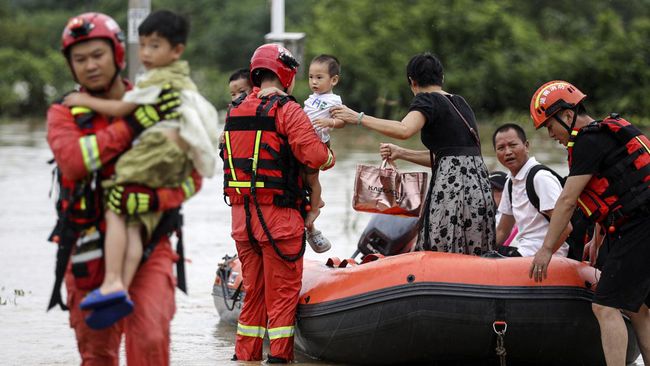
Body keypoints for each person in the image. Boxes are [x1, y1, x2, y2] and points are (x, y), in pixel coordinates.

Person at [47, 12, 201, 364]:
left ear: (116, 54)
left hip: (150, 242)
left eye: (97, 55)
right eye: (79, 59)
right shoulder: (64, 113)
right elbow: (73, 161)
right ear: (70, 66)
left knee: (150, 337)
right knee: (97, 354)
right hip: (86, 248)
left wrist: (153, 197)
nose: (89, 66)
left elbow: (191, 178)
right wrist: (132, 126)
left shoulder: (156, 98)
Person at [221, 44, 335, 363]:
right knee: (282, 296)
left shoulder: (235, 108)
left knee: (253, 294)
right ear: (286, 73)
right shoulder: (286, 109)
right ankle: (280, 359)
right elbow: (315, 156)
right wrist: (329, 156)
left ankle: (245, 357)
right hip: (279, 219)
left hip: (242, 219)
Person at [528, 80, 650, 366]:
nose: (551, 135)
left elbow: (568, 200)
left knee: (605, 305)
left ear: (567, 115)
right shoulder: (603, 134)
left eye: (549, 125)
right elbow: (615, 190)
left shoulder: (587, 140)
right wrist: (597, 238)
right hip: (637, 223)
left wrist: (546, 250)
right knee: (640, 309)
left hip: (640, 226)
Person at [331, 52, 495, 254]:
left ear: (412, 81)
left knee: (440, 249)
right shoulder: (460, 103)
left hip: (452, 189)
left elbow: (404, 129)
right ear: (441, 78)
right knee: (474, 250)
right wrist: (401, 153)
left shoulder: (426, 100)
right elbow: (448, 158)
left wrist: (358, 117)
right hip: (478, 185)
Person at [257, 54, 344, 253]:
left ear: (334, 80)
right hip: (304, 141)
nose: (314, 81)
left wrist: (330, 122)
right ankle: (315, 202)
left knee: (312, 178)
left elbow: (343, 120)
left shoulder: (333, 100)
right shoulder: (313, 98)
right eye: (311, 77)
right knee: (303, 178)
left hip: (316, 143)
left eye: (319, 78)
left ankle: (314, 209)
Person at [493, 123, 570, 257]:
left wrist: (544, 254)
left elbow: (566, 227)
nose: (508, 152)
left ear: (526, 146)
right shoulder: (510, 183)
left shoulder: (540, 178)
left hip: (547, 256)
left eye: (512, 145)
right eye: (501, 148)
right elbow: (502, 230)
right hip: (524, 251)